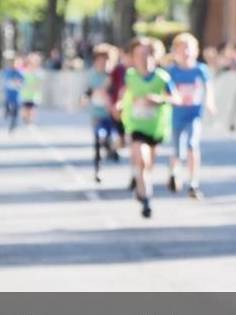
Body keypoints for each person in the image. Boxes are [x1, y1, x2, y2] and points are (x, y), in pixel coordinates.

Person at [121, 37, 179, 218]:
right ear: (133, 58)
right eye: (139, 55)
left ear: (155, 56)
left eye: (148, 54)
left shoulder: (162, 77)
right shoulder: (130, 76)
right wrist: (118, 105)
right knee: (142, 160)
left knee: (149, 164)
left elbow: (176, 99)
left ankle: (142, 189)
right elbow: (123, 94)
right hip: (135, 126)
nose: (144, 59)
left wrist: (159, 99)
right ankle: (146, 199)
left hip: (155, 128)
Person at [166, 33, 215, 199]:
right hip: (176, 115)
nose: (185, 52)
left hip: (194, 115)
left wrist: (210, 103)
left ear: (196, 51)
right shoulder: (172, 71)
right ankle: (174, 172)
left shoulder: (200, 69)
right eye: (181, 49)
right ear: (175, 52)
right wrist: (171, 99)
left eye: (188, 49)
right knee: (177, 150)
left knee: (192, 145)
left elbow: (208, 87)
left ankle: (193, 183)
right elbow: (166, 91)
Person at [82, 46, 115, 183]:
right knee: (97, 140)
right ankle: (97, 169)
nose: (103, 64)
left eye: (106, 61)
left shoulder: (113, 76)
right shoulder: (92, 76)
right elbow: (88, 92)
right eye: (100, 61)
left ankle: (110, 149)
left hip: (110, 115)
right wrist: (84, 98)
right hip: (97, 115)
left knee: (108, 139)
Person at [0, 56, 25, 132]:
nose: (13, 65)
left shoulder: (19, 73)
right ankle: (7, 112)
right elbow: (3, 81)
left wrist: (18, 82)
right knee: (7, 104)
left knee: (15, 109)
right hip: (8, 92)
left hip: (16, 93)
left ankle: (13, 124)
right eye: (11, 63)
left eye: (14, 63)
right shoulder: (7, 72)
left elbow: (22, 82)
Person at [20, 53, 43, 125]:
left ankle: (30, 121)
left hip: (34, 94)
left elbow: (40, 82)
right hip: (25, 94)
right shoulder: (24, 71)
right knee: (26, 108)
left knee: (32, 108)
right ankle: (26, 119)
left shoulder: (38, 72)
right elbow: (21, 81)